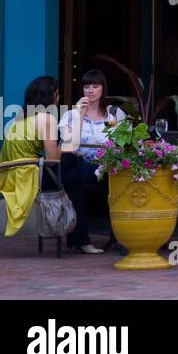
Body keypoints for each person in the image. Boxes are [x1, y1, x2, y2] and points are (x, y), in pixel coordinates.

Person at [58, 68, 125, 254]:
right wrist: (80, 115)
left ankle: (122, 237)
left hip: (109, 165)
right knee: (73, 177)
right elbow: (70, 144)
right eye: (87, 86)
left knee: (123, 177)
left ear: (103, 89)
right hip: (81, 164)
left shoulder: (114, 114)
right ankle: (81, 240)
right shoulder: (70, 115)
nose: (90, 90)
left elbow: (126, 143)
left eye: (95, 86)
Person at [0, 76, 63, 238]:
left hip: (7, 175)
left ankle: (76, 239)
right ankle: (75, 236)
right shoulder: (47, 119)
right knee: (74, 175)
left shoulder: (21, 115)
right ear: (51, 96)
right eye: (57, 94)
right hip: (25, 176)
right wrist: (66, 143)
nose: (59, 98)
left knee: (71, 173)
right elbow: (53, 161)